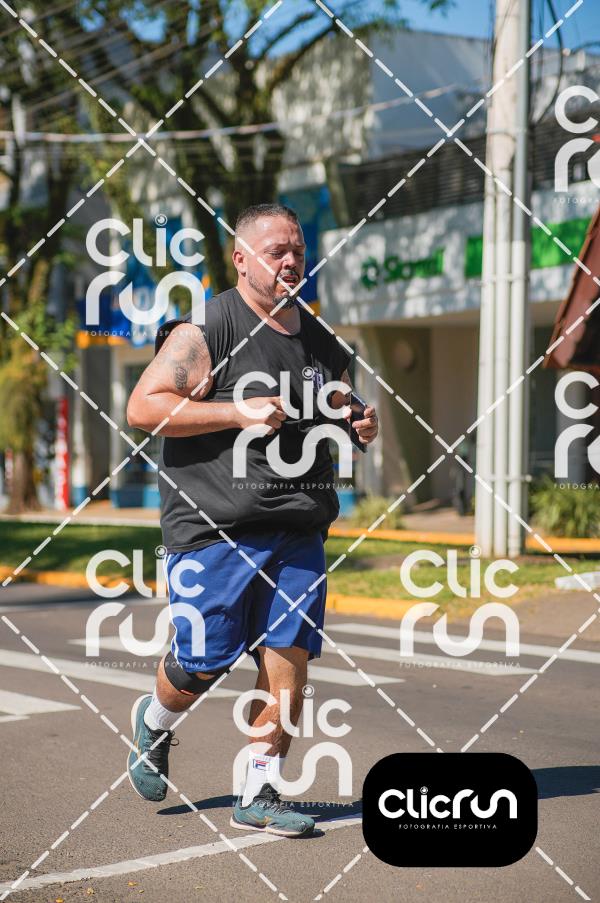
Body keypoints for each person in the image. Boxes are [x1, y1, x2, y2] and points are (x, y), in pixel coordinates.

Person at [125, 203, 378, 837]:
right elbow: (143, 407)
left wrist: (357, 419)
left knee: (290, 655)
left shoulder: (321, 340)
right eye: (275, 252)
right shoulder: (210, 327)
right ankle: (154, 721)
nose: (291, 262)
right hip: (214, 527)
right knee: (201, 662)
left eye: (298, 250)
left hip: (299, 525)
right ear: (241, 259)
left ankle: (258, 789)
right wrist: (235, 412)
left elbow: (338, 401)